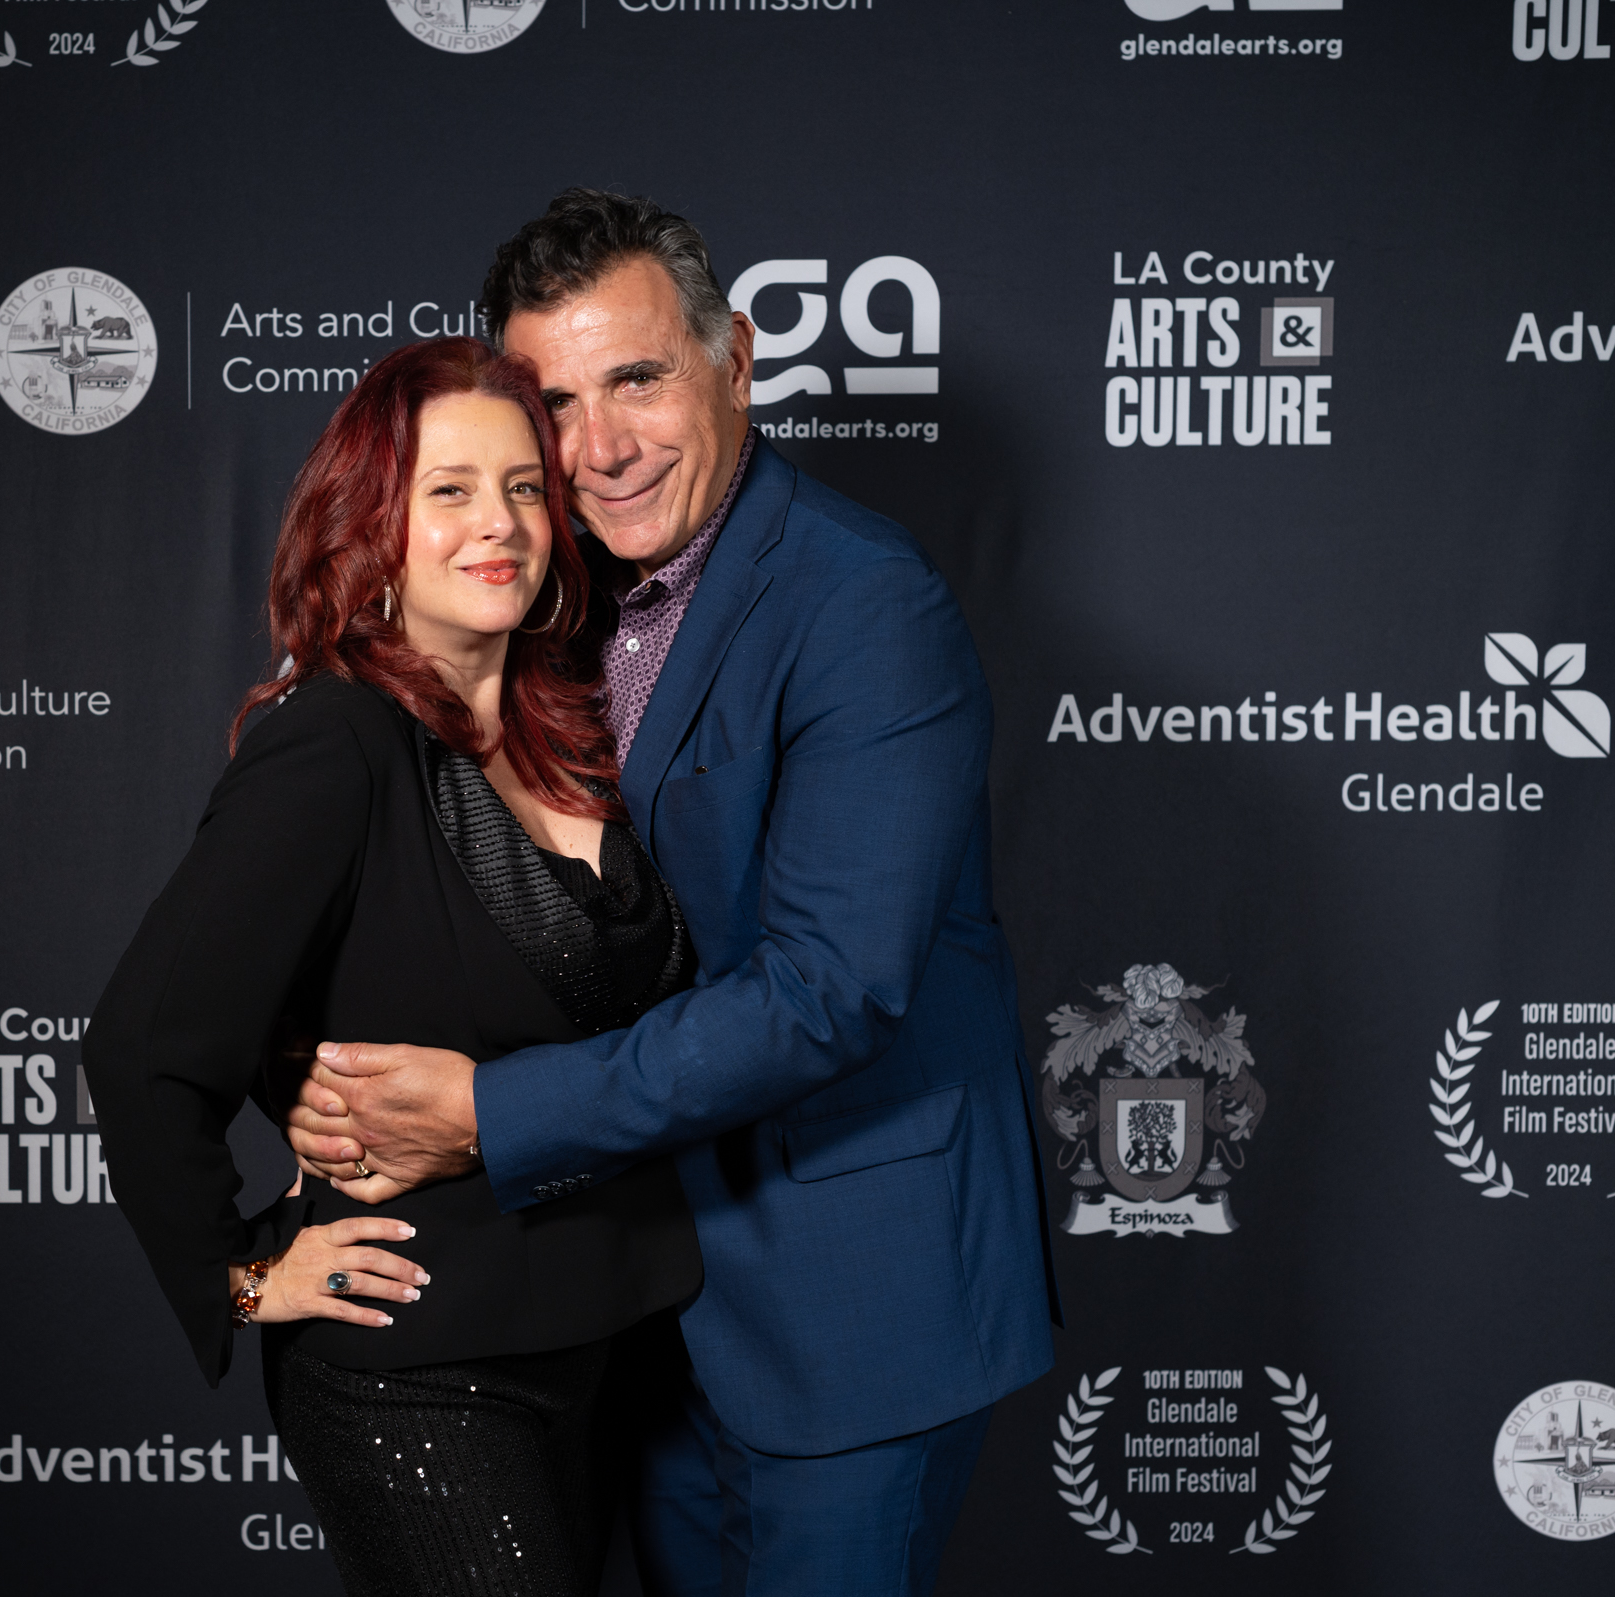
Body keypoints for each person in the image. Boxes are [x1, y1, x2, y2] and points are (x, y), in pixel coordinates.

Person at [284, 191, 1059, 1596]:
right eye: (554, 403)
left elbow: (829, 991)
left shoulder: (864, 603)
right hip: (637, 1303)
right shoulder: (547, 594)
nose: (601, 447)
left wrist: (485, 1114)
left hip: (850, 1302)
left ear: (735, 360)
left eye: (637, 379)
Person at [86, 335, 704, 1597]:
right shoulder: (336, 740)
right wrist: (242, 1273)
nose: (501, 524)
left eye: (524, 487)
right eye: (450, 490)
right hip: (425, 1372)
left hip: (620, 1340)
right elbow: (144, 1044)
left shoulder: (574, 728)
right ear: (375, 525)